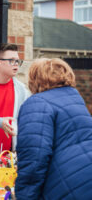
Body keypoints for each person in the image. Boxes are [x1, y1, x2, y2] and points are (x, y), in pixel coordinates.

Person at [15, 58, 92, 199]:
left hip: (69, 184)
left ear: (34, 78)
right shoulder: (76, 99)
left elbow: (34, 159)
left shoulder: (37, 103)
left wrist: (25, 196)